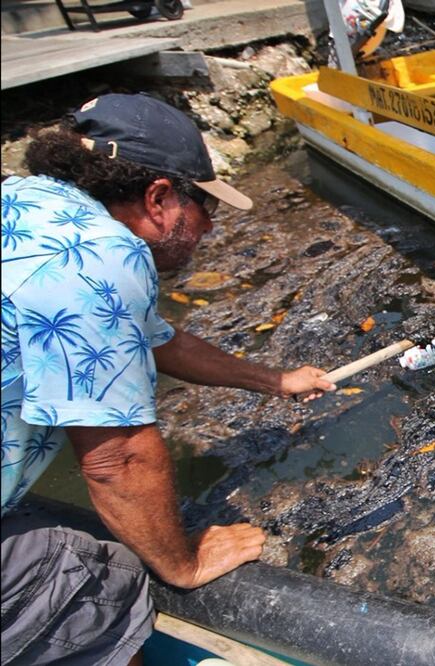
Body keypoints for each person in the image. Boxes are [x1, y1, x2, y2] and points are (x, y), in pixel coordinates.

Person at [0, 93, 336, 665]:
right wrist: (185, 563)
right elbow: (118, 460)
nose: (210, 226)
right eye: (205, 207)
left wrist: (275, 380)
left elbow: (163, 340)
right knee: (107, 584)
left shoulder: (26, 199)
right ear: (158, 197)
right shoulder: (102, 258)